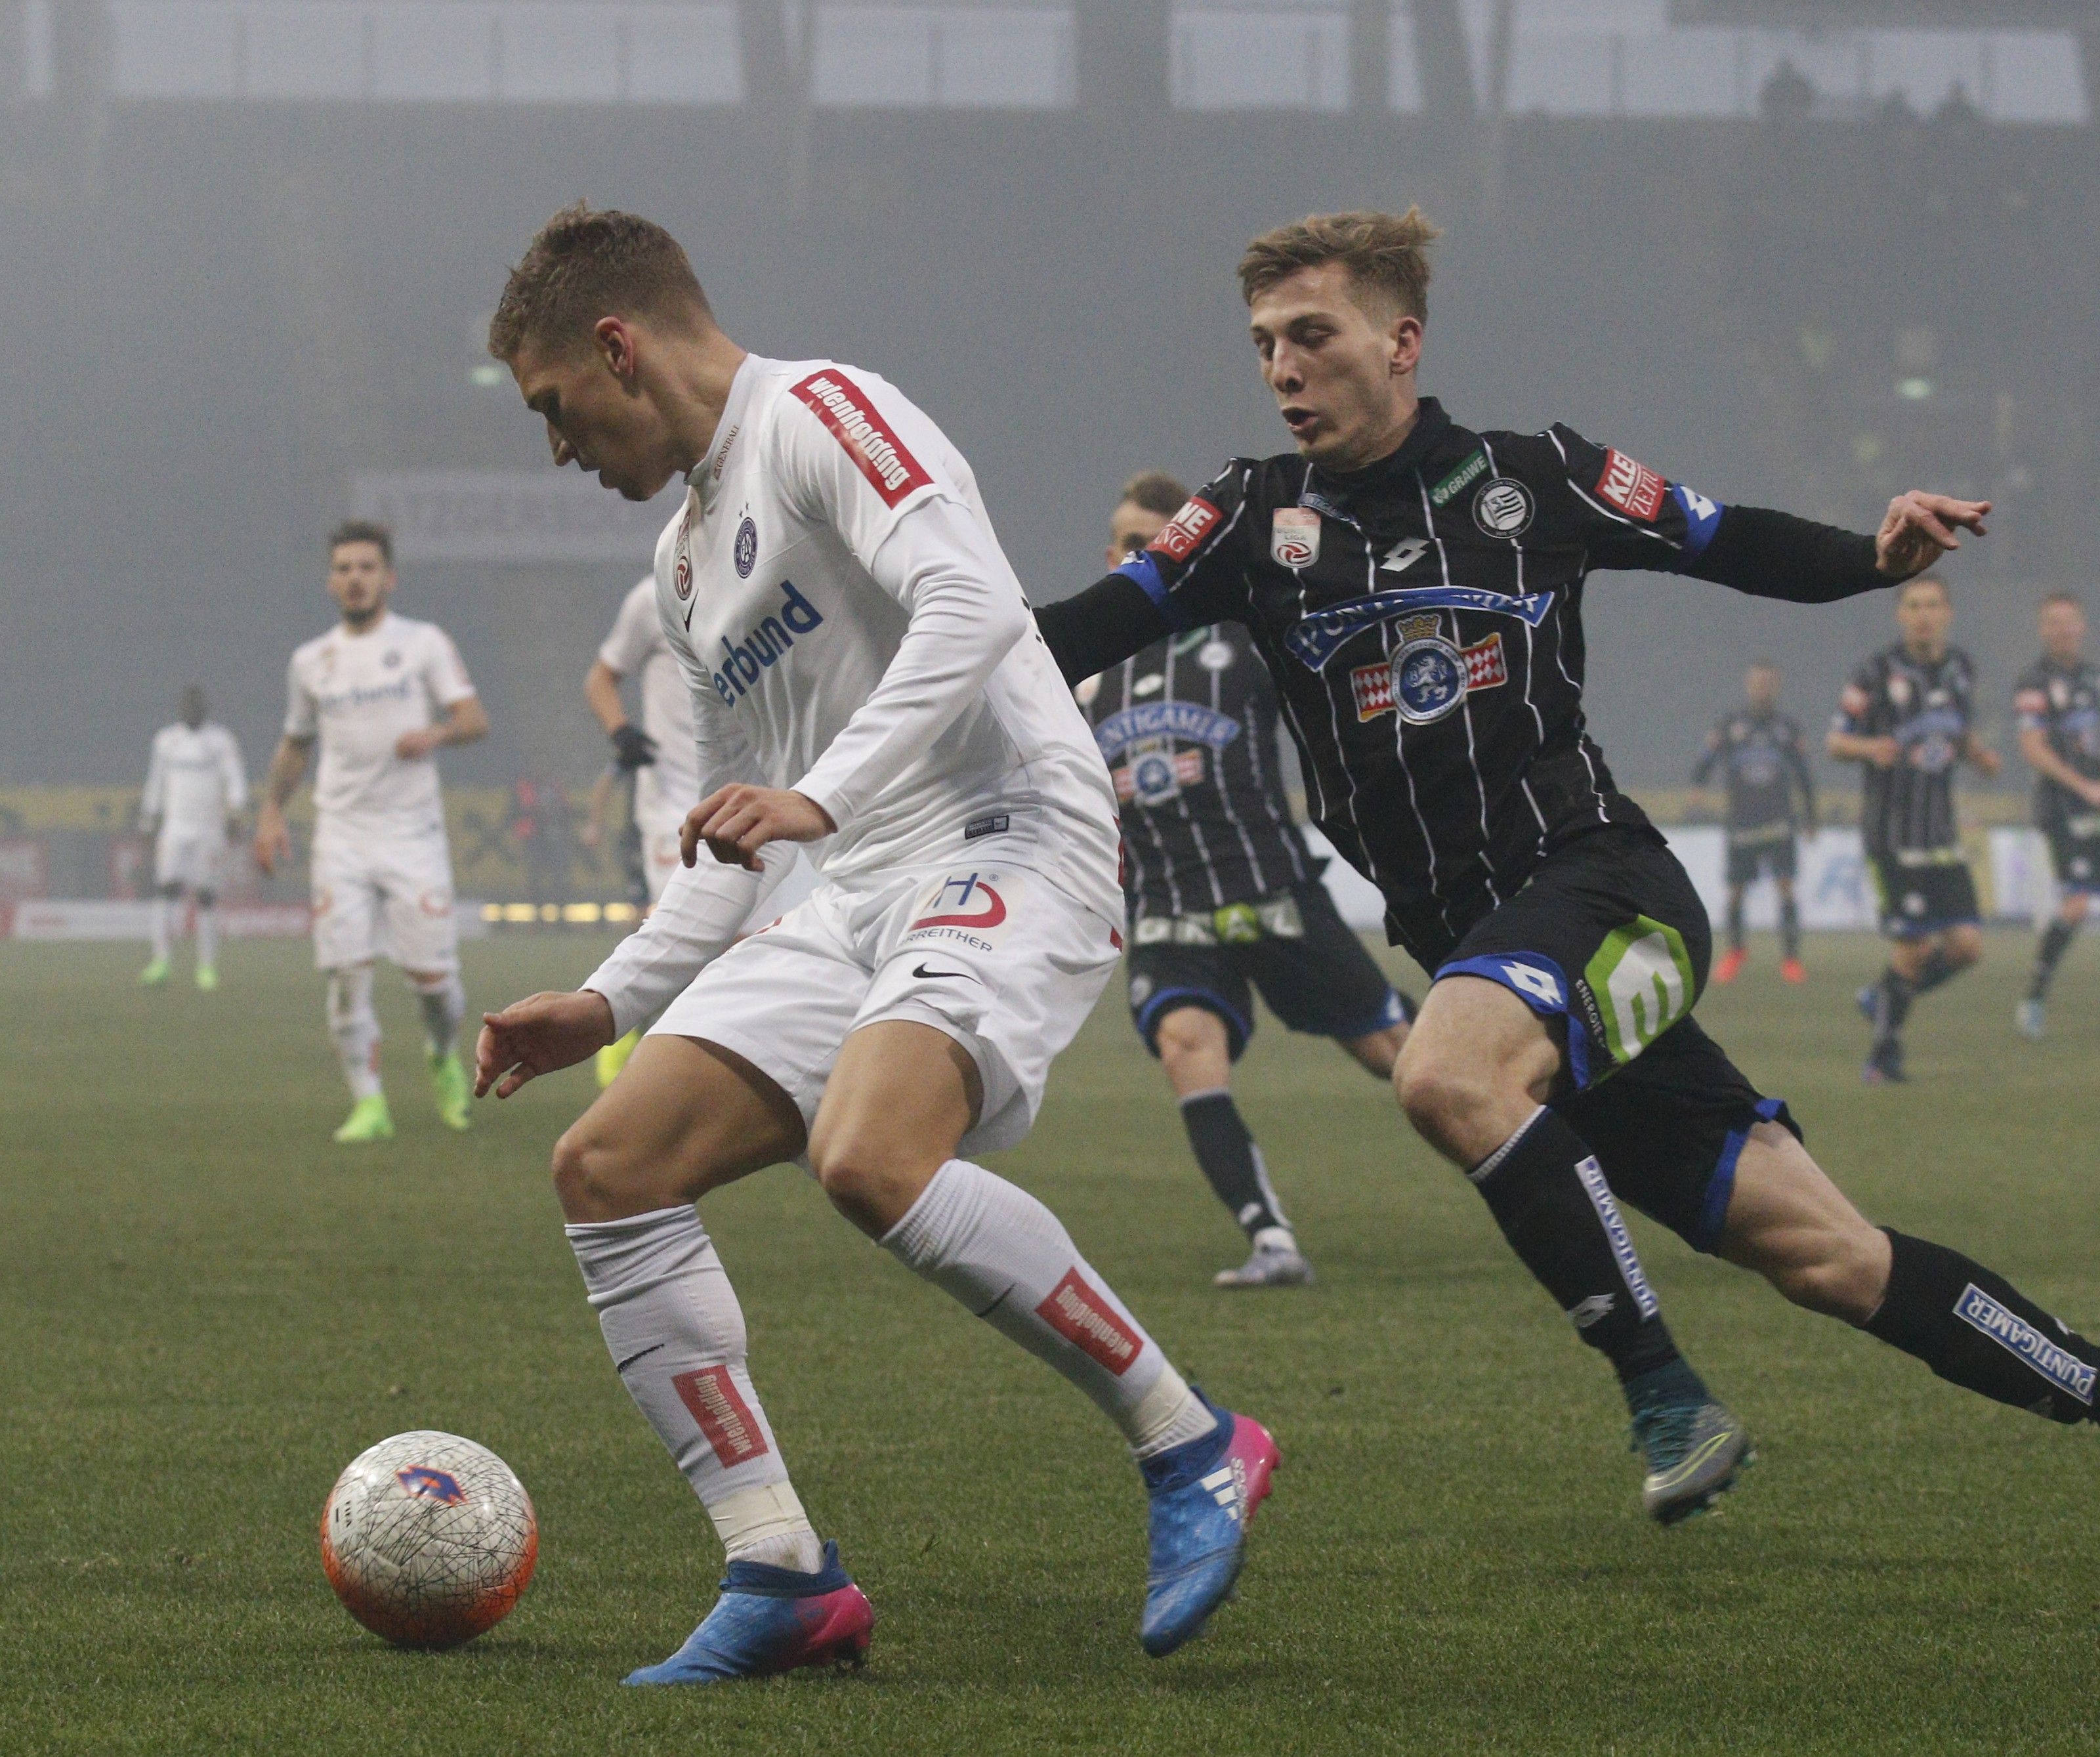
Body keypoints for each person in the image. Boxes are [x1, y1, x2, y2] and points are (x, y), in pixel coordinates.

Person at [1036, 209, 2100, 1531]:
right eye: (1263, 345)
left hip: (1609, 895)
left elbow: (1726, 540)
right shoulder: (1251, 517)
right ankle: (2087, 1382)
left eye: (1310, 335)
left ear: (1400, 339)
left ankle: (1664, 1395)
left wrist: (1872, 561)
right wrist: (894, 644)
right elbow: (1068, 635)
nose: (1281, 368)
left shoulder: (1534, 479)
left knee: (1440, 1069)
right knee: (1830, 1257)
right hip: (1489, 961)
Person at [472, 205, 1276, 1685]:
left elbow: (972, 604)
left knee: (870, 1154)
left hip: (1007, 832)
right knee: (606, 1167)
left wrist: (824, 795)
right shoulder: (683, 566)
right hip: (851, 887)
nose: (558, 448)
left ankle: (1194, 1441)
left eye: (551, 410)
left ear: (616, 345)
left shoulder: (823, 412)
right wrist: (604, 1001)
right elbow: (742, 840)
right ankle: (778, 1567)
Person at [1079, 469, 1411, 1288]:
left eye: (1139, 543)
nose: (1121, 555)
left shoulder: (1239, 634)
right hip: (1167, 904)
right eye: (1117, 541)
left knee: (1394, 1054)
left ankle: (1550, 1133)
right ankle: (1270, 1239)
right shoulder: (1086, 672)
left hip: (1268, 885)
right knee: (1185, 1046)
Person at [253, 521, 490, 1143]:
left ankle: (441, 1054)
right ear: (331, 580)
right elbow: (295, 746)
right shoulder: (311, 661)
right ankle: (369, 1103)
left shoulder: (422, 643)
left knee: (436, 986)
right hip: (342, 834)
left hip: (413, 834)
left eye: (366, 567)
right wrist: (271, 811)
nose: (354, 578)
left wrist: (435, 733)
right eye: (343, 568)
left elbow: (471, 717)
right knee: (347, 973)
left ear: (389, 577)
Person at [1829, 577, 1999, 1082]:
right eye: (1913, 605)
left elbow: (1957, 731)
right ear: (1900, 614)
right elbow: (1836, 741)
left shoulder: (1962, 668)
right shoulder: (1875, 672)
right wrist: (1869, 748)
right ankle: (1883, 1056)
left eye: (1932, 605)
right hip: (1892, 833)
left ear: (1947, 612)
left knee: (1968, 946)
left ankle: (1882, 1000)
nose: (1923, 614)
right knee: (1914, 948)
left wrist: (1978, 754)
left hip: (1941, 833)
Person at [586, 574, 704, 1085]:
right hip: (670, 801)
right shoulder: (653, 595)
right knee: (686, 937)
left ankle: (649, 1045)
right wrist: (621, 731)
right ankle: (640, 1052)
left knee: (743, 945)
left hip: (750, 792)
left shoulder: (764, 575)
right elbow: (601, 677)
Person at [1690, 662, 1817, 984]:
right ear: (1748, 685)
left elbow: (1804, 774)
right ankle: (1736, 951)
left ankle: (1791, 959)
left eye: (1767, 682)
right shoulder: (1731, 725)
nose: (1762, 688)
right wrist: (1697, 790)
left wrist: (1811, 816)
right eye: (1757, 682)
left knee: (1786, 887)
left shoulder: (1787, 727)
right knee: (1735, 891)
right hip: (1742, 821)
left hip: (1779, 820)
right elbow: (1706, 761)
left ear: (1776, 686)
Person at [2011, 593, 2100, 1037]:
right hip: (2064, 809)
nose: (2062, 629)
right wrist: (2083, 786)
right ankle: (2034, 997)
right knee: (2077, 903)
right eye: (2053, 622)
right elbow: (2033, 748)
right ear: (2043, 630)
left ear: (2082, 626)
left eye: (2069, 621)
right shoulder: (2033, 681)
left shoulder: (2094, 677)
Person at [138, 685, 247, 990]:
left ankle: (206, 968)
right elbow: (156, 782)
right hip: (175, 827)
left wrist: (237, 811)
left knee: (206, 896)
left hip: (209, 829)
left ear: (205, 708)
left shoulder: (221, 741)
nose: (191, 709)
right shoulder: (166, 741)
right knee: (166, 890)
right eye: (186, 704)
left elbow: (235, 778)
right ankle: (161, 961)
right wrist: (148, 818)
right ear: (179, 708)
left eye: (196, 704)